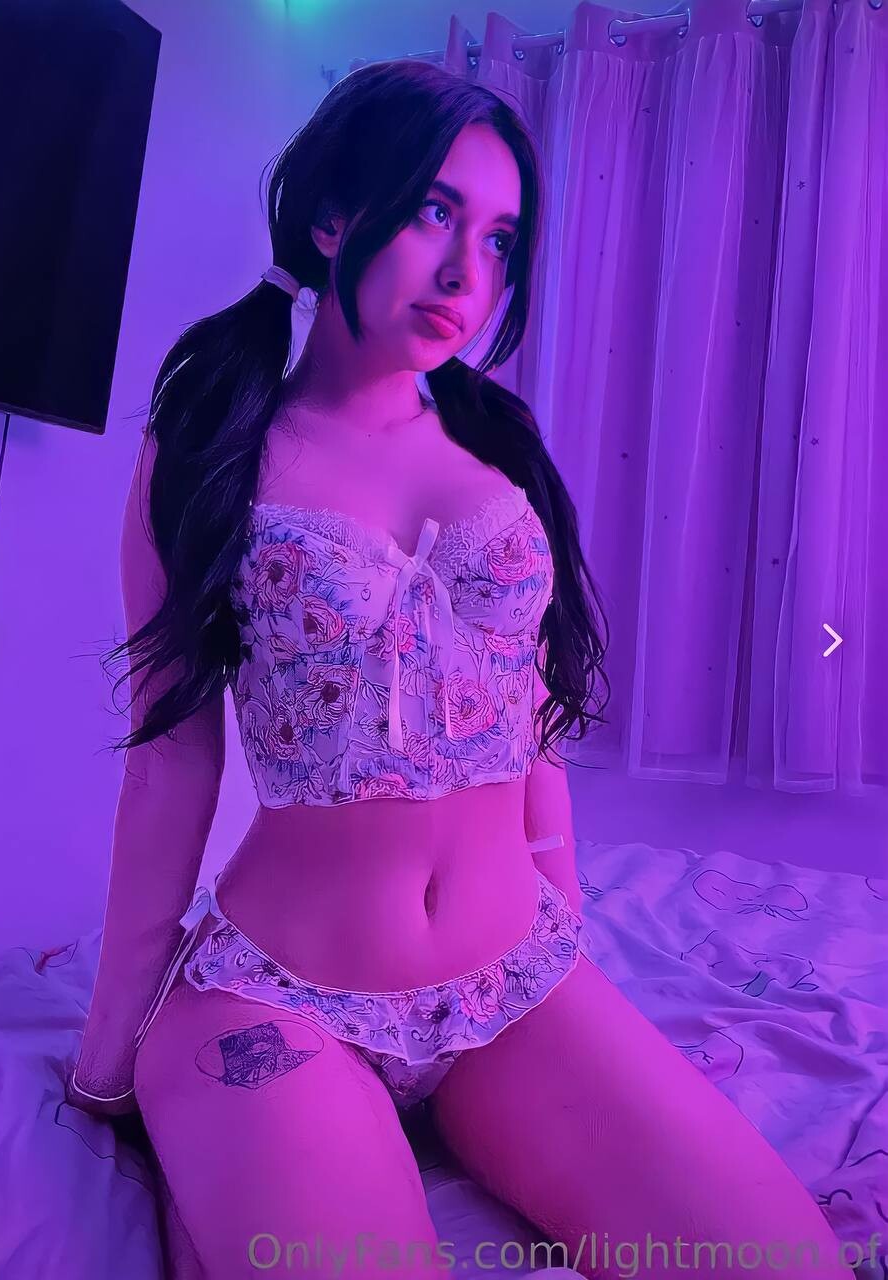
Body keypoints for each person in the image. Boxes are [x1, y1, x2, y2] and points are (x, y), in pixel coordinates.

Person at [67, 60, 853, 1280]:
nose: (464, 275)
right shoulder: (212, 443)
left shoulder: (498, 441)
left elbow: (529, 717)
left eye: (497, 238)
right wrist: (109, 1045)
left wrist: (566, 925)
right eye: (434, 211)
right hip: (277, 991)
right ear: (332, 214)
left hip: (510, 979)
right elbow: (172, 755)